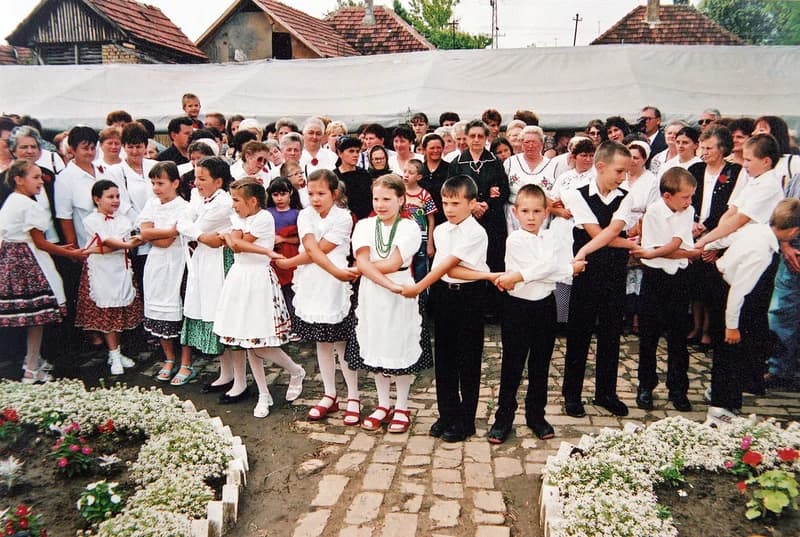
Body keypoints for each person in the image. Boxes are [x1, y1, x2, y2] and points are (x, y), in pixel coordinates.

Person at [401, 175, 499, 442]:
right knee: (444, 357)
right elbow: (442, 270)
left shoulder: (476, 232)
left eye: (456, 203)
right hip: (444, 295)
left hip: (469, 297)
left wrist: (418, 287)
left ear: (471, 203)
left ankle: (466, 420)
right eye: (445, 203)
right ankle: (447, 414)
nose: (449, 209)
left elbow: (449, 267)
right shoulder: (442, 230)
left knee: (467, 358)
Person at [488, 184, 584, 444]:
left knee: (540, 365)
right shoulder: (514, 239)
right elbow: (550, 268)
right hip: (518, 308)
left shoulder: (552, 238)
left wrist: (553, 269)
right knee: (512, 365)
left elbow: (549, 268)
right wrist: (565, 269)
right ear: (516, 212)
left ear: (546, 213)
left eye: (537, 211)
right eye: (526, 211)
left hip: (545, 306)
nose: (531, 217)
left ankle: (536, 416)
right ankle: (503, 418)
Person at [696, 134, 786, 395]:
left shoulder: (769, 186)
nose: (743, 164)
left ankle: (750, 377)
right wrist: (714, 239)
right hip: (740, 246)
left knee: (751, 317)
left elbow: (739, 220)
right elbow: (731, 211)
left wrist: (706, 240)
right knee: (741, 314)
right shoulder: (755, 180)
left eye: (748, 160)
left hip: (758, 253)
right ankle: (739, 375)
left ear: (766, 161)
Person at [274, 170, 361, 424]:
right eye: (311, 193)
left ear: (334, 194)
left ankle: (353, 396)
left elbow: (322, 249)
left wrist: (290, 262)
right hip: (313, 284)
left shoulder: (344, 217)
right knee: (322, 343)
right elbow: (311, 247)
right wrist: (294, 262)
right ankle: (330, 394)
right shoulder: (305, 215)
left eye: (321, 193)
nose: (315, 198)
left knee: (343, 344)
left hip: (335, 286)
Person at [214, 178, 305, 418]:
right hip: (239, 278)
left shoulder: (264, 217)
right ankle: (264, 393)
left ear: (253, 201)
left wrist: (234, 239)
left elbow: (237, 245)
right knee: (248, 342)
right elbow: (236, 242)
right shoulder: (239, 218)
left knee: (261, 345)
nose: (233, 205)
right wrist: (239, 240)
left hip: (258, 280)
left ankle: (296, 370)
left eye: (236, 200)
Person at [347, 173, 431, 433]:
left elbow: (393, 263)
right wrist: (383, 281)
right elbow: (361, 260)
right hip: (375, 293)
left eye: (387, 199)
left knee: (399, 346)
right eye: (376, 199)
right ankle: (383, 404)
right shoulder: (363, 225)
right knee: (376, 346)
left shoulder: (410, 227)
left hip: (400, 293)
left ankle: (402, 406)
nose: (380, 204)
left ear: (401, 199)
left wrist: (369, 271)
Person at [705, 198, 800, 424]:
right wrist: (732, 326)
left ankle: (729, 398)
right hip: (734, 299)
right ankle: (721, 407)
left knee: (740, 353)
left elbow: (728, 238)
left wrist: (708, 246)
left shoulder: (756, 230)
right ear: (794, 230)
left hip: (733, 293)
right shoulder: (761, 252)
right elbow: (739, 290)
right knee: (730, 353)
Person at [564, 141, 639, 418]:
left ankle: (606, 392)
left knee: (611, 333)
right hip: (586, 273)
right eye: (619, 171)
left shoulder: (626, 196)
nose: (623, 177)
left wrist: (623, 243)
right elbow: (599, 234)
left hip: (615, 274)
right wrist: (632, 246)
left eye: (627, 172)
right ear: (600, 166)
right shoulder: (576, 194)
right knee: (579, 332)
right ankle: (571, 394)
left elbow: (614, 230)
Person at [0, 160, 86, 382]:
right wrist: (70, 253)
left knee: (34, 317)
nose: (41, 182)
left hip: (13, 260)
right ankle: (30, 367)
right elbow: (40, 243)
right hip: (28, 262)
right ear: (19, 180)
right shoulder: (28, 205)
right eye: (35, 177)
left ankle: (33, 358)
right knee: (38, 315)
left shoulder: (13, 201)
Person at [629, 168, 699, 412]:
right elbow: (668, 248)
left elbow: (676, 245)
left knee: (678, 336)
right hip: (655, 277)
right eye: (685, 197)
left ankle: (678, 388)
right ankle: (645, 385)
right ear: (668, 196)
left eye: (691, 197)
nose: (689, 202)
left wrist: (682, 252)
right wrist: (690, 253)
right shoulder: (654, 213)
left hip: (679, 277)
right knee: (649, 335)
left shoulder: (687, 211)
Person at [177, 157, 235, 391]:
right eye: (196, 178)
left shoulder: (224, 203)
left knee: (219, 311)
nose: (197, 183)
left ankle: (234, 375)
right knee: (208, 308)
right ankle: (226, 371)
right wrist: (201, 236)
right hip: (203, 258)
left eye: (203, 179)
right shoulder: (197, 197)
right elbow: (182, 222)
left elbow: (196, 224)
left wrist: (197, 233)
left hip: (219, 262)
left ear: (218, 181)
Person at [74, 180, 144, 375]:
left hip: (119, 270)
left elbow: (111, 244)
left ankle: (117, 351)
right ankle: (113, 354)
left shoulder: (122, 220)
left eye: (117, 196)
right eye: (110, 197)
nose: (115, 201)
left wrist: (93, 249)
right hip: (101, 271)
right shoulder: (91, 220)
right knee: (106, 312)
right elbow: (108, 241)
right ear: (97, 199)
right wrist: (128, 244)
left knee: (118, 311)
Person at [687, 125, 742, 351]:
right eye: (702, 147)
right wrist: (692, 222)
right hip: (694, 231)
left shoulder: (734, 172)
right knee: (696, 284)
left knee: (713, 286)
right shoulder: (696, 169)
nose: (704, 152)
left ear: (722, 150)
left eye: (709, 148)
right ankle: (696, 326)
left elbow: (731, 208)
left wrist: (710, 232)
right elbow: (687, 197)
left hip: (720, 233)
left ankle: (710, 330)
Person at [448, 120, 510, 319]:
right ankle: (472, 306)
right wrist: (473, 205)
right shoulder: (457, 163)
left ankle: (494, 308)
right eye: (472, 136)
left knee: (493, 259)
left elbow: (504, 191)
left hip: (492, 220)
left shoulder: (495, 162)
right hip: (466, 220)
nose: (476, 140)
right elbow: (452, 190)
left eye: (480, 136)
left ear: (486, 138)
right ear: (465, 138)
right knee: (469, 261)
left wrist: (488, 204)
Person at [136, 162, 189, 383]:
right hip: (156, 264)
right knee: (158, 309)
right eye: (153, 183)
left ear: (175, 183)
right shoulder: (151, 204)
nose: (156, 188)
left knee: (181, 310)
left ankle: (186, 362)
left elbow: (167, 241)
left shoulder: (184, 207)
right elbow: (144, 230)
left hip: (177, 264)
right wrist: (165, 230)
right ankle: (169, 358)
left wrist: (151, 235)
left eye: (161, 183)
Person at [766, 172, 800, 390]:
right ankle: (779, 370)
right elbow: (781, 213)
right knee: (781, 314)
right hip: (792, 256)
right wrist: (785, 246)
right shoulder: (798, 177)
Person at [503, 126, 556, 233]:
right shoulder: (510, 163)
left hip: (542, 218)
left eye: (534, 142)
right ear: (522, 144)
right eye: (527, 142)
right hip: (514, 217)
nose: (530, 145)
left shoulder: (554, 165)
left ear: (541, 144)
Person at [267, 177, 302, 320]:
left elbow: (301, 239)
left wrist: (284, 239)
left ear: (291, 193)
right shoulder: (267, 213)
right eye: (275, 195)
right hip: (272, 257)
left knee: (291, 289)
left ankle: (294, 321)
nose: (279, 198)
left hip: (291, 257)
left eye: (283, 194)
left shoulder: (298, 214)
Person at [402, 159, 437, 282]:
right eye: (405, 171)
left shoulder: (424, 195)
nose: (406, 174)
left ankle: (421, 298)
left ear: (419, 177)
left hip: (421, 240)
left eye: (410, 172)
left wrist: (430, 243)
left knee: (421, 272)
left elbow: (431, 220)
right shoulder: (399, 193)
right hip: (403, 238)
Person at [333, 135, 373, 221]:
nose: (355, 155)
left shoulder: (365, 174)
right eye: (351, 151)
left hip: (366, 220)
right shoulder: (333, 177)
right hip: (343, 220)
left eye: (357, 151)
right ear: (340, 153)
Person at [419, 134, 448, 225]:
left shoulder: (450, 168)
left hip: (444, 217)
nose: (435, 151)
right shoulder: (418, 170)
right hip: (422, 219)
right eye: (432, 148)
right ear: (424, 150)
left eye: (438, 147)